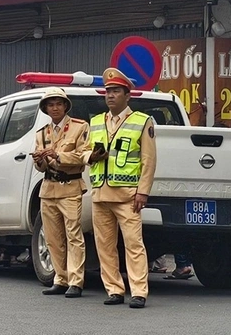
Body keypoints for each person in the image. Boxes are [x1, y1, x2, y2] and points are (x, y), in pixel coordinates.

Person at [83, 68, 157, 309]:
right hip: (100, 193)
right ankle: (114, 289)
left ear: (128, 96)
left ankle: (138, 292)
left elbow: (148, 160)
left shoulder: (142, 122)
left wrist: (143, 191)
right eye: (108, 92)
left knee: (134, 244)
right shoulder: (95, 122)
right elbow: (84, 151)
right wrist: (90, 156)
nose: (110, 96)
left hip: (127, 194)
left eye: (116, 91)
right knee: (104, 245)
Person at [32, 87, 89, 298]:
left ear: (65, 106)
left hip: (70, 186)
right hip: (48, 189)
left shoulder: (79, 127)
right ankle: (60, 278)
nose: (55, 108)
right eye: (50, 104)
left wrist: (58, 156)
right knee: (53, 238)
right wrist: (40, 160)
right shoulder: (42, 133)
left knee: (74, 235)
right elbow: (41, 168)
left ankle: (76, 281)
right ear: (46, 108)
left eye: (58, 104)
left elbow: (83, 156)